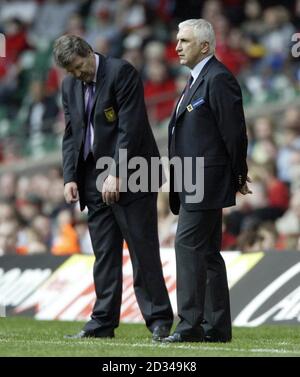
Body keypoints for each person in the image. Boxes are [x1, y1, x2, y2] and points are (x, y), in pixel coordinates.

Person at [53, 35, 173, 340]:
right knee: (104, 254)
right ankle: (102, 321)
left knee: (142, 249)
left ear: (88, 52)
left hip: (132, 175)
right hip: (93, 180)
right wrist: (70, 176)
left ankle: (158, 319)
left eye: (80, 67)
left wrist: (117, 172)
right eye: (72, 72)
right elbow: (72, 133)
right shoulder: (69, 86)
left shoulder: (121, 72)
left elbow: (129, 126)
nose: (79, 75)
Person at [162, 19, 251, 343]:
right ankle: (217, 327)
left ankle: (189, 325)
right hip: (192, 181)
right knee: (208, 254)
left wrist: (238, 174)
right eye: (177, 40)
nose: (177, 47)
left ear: (205, 46)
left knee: (187, 246)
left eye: (184, 41)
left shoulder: (219, 78)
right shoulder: (197, 80)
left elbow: (235, 132)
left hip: (206, 181)